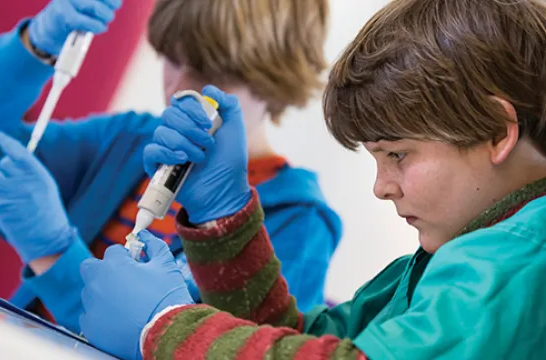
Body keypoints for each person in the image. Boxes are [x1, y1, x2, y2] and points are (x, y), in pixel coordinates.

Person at [79, 0, 546, 359]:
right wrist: (224, 216)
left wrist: (163, 327)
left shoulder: (520, 260)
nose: (381, 187)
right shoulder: (440, 260)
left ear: (494, 131)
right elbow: (305, 343)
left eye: (398, 154)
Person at [0, 0, 341, 334]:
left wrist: (56, 254)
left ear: (276, 76)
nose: (179, 86)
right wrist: (33, 48)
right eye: (172, 58)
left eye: (207, 68)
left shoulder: (296, 223)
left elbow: (192, 349)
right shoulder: (128, 142)